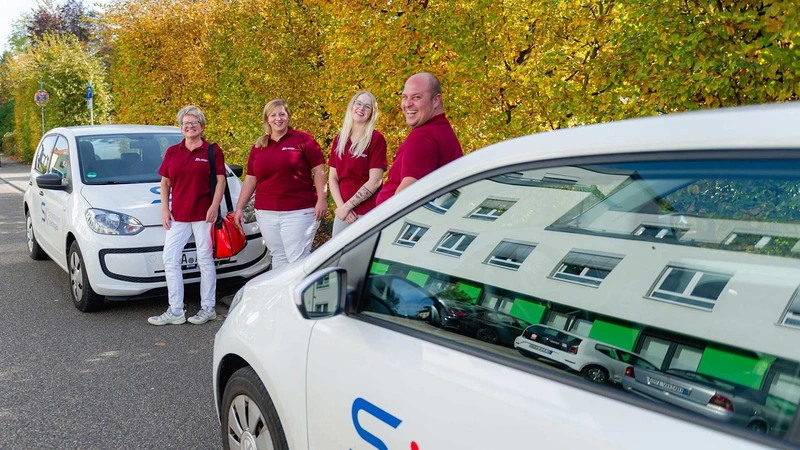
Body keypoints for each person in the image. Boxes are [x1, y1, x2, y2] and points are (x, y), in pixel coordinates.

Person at [148, 105, 226, 326]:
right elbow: (165, 183)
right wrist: (165, 209)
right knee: (169, 258)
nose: (190, 126)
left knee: (205, 260)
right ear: (181, 127)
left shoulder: (212, 151)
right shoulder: (173, 152)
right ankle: (175, 310)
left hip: (204, 215)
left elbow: (221, 180)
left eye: (194, 123)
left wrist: (214, 206)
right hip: (178, 216)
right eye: (185, 123)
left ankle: (208, 308)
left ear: (201, 126)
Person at [234, 99, 327, 269]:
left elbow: (319, 171)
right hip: (266, 212)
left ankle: (301, 287)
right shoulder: (259, 146)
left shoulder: (303, 139)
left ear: (288, 116)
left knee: (297, 259)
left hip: (299, 211)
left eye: (282, 114)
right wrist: (239, 207)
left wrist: (322, 199)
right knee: (278, 257)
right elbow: (250, 179)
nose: (278, 119)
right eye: (273, 115)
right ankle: (282, 288)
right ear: (267, 119)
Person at [375, 72, 463, 205]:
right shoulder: (441, 131)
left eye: (416, 97)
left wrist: (383, 217)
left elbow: (406, 196)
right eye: (405, 97)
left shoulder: (423, 137)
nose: (407, 104)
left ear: (436, 100)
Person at [328, 91, 387, 235]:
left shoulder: (376, 139)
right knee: (338, 250)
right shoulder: (339, 139)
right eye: (358, 104)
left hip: (367, 213)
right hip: (343, 213)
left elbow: (375, 181)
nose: (361, 109)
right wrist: (341, 208)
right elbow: (333, 178)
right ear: (352, 106)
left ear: (372, 113)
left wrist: (347, 207)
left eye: (367, 107)